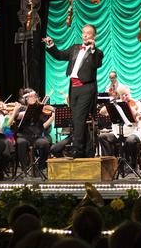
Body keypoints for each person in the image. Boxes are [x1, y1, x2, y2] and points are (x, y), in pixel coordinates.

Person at [43, 24, 103, 158]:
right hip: (73, 88)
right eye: (83, 32)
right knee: (76, 120)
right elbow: (59, 55)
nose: (85, 35)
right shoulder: (75, 48)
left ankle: (77, 150)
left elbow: (96, 64)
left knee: (79, 119)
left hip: (86, 88)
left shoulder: (97, 52)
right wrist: (51, 45)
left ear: (94, 36)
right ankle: (87, 151)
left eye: (88, 33)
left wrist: (92, 49)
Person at [10, 88, 54, 174]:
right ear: (25, 98)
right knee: (21, 143)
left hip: (36, 137)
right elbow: (17, 116)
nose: (33, 98)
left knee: (45, 144)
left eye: (34, 96)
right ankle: (24, 169)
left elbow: (43, 126)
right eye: (31, 96)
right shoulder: (21, 108)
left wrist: (52, 117)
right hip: (23, 136)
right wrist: (25, 112)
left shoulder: (39, 109)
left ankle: (41, 166)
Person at [98, 85, 141, 162]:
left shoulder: (136, 103)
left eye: (126, 94)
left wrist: (127, 105)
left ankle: (132, 163)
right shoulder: (116, 103)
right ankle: (109, 162)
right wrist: (112, 102)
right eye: (122, 95)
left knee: (130, 141)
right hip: (118, 133)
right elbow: (102, 112)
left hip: (133, 133)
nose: (125, 96)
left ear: (129, 93)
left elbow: (138, 117)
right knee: (102, 137)